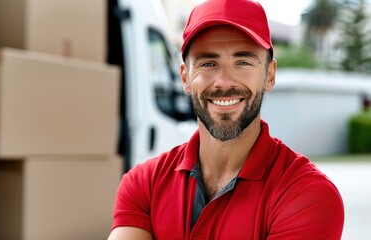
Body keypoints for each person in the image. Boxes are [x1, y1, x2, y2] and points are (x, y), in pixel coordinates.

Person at [108, 0, 345, 239]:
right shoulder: (143, 183)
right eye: (208, 63)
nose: (224, 81)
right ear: (185, 78)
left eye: (243, 62)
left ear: (269, 75)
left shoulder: (307, 195)